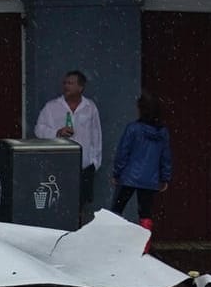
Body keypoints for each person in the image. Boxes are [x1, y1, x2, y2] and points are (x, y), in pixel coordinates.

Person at [34, 69, 103, 209]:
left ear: (80, 87)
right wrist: (56, 132)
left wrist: (95, 162)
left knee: (82, 205)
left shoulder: (90, 107)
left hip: (84, 166)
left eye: (70, 83)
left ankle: (80, 230)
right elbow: (38, 130)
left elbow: (96, 135)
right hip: (60, 165)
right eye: (65, 83)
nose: (66, 86)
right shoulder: (52, 107)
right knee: (60, 203)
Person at [112, 93, 171, 230]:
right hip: (150, 179)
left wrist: (117, 172)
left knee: (117, 209)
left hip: (129, 176)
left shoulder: (133, 128)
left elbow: (123, 152)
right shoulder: (162, 132)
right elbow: (165, 156)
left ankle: (112, 240)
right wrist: (165, 177)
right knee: (145, 214)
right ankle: (145, 245)